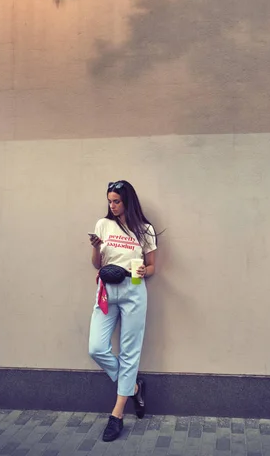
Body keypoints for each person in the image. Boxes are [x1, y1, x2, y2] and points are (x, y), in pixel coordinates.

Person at [88, 180, 157, 442]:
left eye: (116, 201)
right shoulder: (103, 225)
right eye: (109, 201)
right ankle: (135, 387)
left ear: (127, 201)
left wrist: (143, 270)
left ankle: (116, 415)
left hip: (133, 291)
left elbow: (152, 267)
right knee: (96, 347)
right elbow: (96, 263)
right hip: (106, 289)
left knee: (129, 351)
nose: (112, 205)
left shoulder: (145, 229)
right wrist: (96, 246)